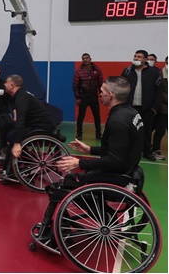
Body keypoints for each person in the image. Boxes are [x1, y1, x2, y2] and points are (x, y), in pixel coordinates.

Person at [32, 76, 143, 245]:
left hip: (118, 175)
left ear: (110, 95)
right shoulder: (131, 113)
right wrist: (89, 150)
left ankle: (99, 222)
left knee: (64, 185)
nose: (100, 94)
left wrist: (79, 163)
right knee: (76, 179)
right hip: (130, 170)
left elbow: (114, 160)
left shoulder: (118, 121)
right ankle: (101, 217)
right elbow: (118, 149)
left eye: (102, 91)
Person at [5, 74, 57, 180]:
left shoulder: (21, 97)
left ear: (11, 85)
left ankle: (17, 168)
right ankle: (15, 165)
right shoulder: (22, 95)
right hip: (38, 124)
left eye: (6, 82)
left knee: (14, 136)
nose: (4, 85)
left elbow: (21, 120)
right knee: (11, 134)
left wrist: (17, 143)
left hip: (43, 127)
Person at [121, 49, 162, 161]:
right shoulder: (128, 71)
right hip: (130, 107)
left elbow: (159, 91)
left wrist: (155, 107)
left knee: (146, 131)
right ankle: (130, 152)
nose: (136, 58)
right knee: (130, 131)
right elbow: (121, 87)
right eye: (135, 56)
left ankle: (147, 152)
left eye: (139, 57)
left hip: (147, 107)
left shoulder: (154, 72)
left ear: (145, 59)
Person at [72, 53, 104, 140]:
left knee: (97, 116)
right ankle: (79, 134)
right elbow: (75, 86)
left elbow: (100, 84)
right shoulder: (79, 71)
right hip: (83, 97)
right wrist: (77, 98)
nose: (85, 60)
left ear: (90, 59)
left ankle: (98, 134)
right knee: (81, 116)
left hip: (94, 97)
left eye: (87, 58)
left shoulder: (97, 70)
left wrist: (102, 95)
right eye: (83, 58)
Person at [150, 56, 167, 160]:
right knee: (160, 130)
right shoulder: (160, 74)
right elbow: (160, 92)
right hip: (164, 108)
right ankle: (156, 150)